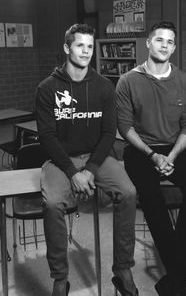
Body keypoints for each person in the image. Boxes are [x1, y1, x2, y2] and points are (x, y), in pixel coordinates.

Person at [35, 23, 138, 296]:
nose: (86, 51)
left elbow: (108, 133)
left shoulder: (105, 87)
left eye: (90, 46)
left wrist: (90, 169)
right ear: (67, 48)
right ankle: (60, 277)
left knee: (128, 192)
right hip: (60, 161)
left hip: (98, 157)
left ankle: (123, 268)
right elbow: (46, 136)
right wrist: (72, 172)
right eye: (80, 45)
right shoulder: (47, 88)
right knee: (54, 203)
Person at [116, 21, 186, 296]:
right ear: (148, 42)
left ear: (174, 47)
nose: (164, 45)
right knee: (151, 197)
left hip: (174, 148)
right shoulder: (128, 81)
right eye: (159, 40)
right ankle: (180, 280)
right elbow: (125, 127)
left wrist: (171, 155)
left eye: (170, 42)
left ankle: (175, 275)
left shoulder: (184, 81)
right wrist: (152, 155)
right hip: (140, 150)